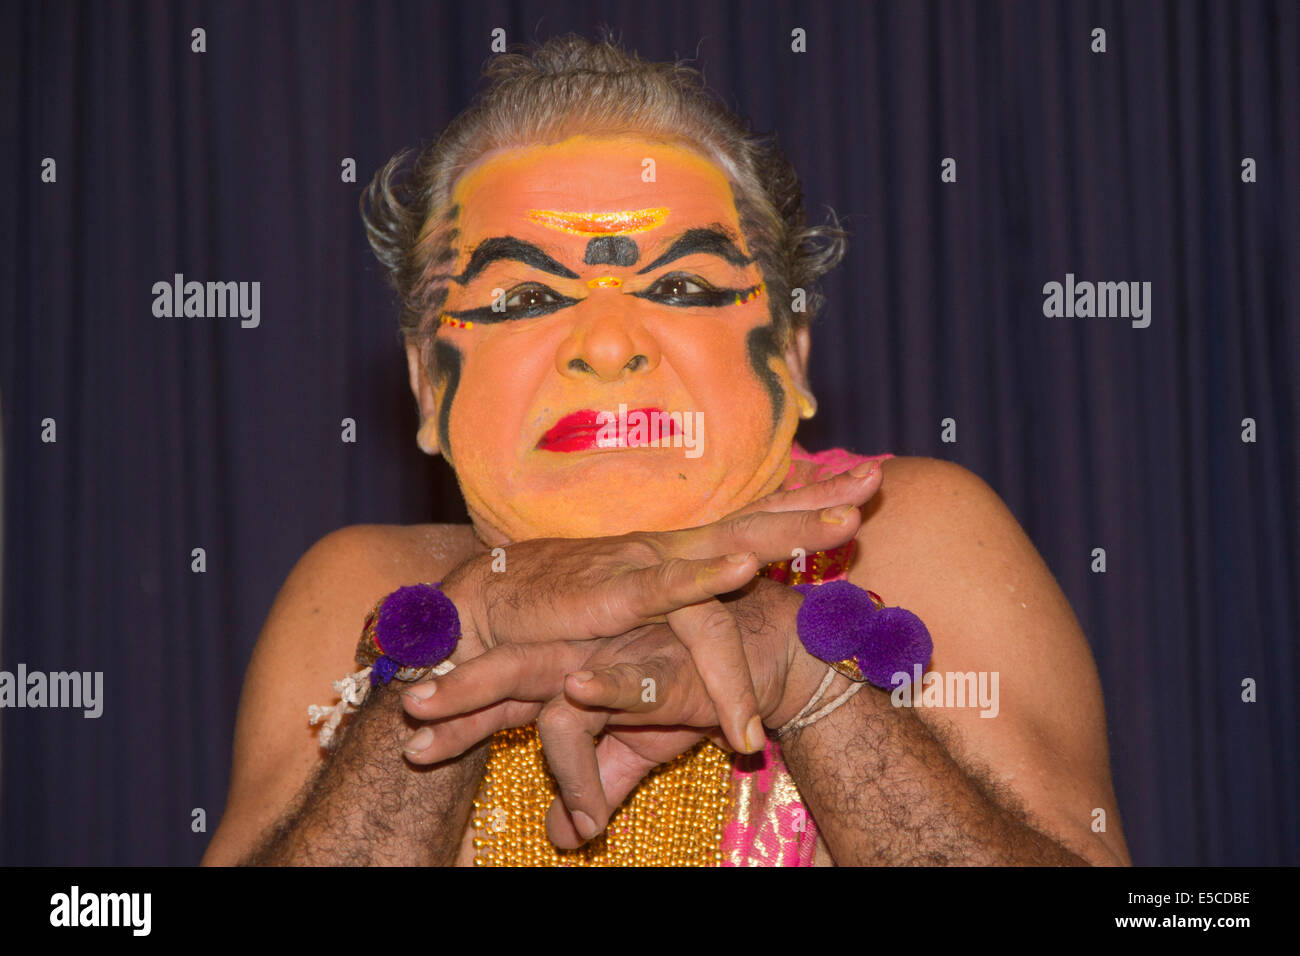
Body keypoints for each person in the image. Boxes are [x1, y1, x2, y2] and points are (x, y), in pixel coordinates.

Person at [201, 32, 1130, 867]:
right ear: (426, 387)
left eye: (683, 287)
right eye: (526, 298)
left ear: (793, 355)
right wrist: (455, 646)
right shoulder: (365, 597)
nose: (609, 347)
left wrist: (808, 678)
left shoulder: (895, 534)